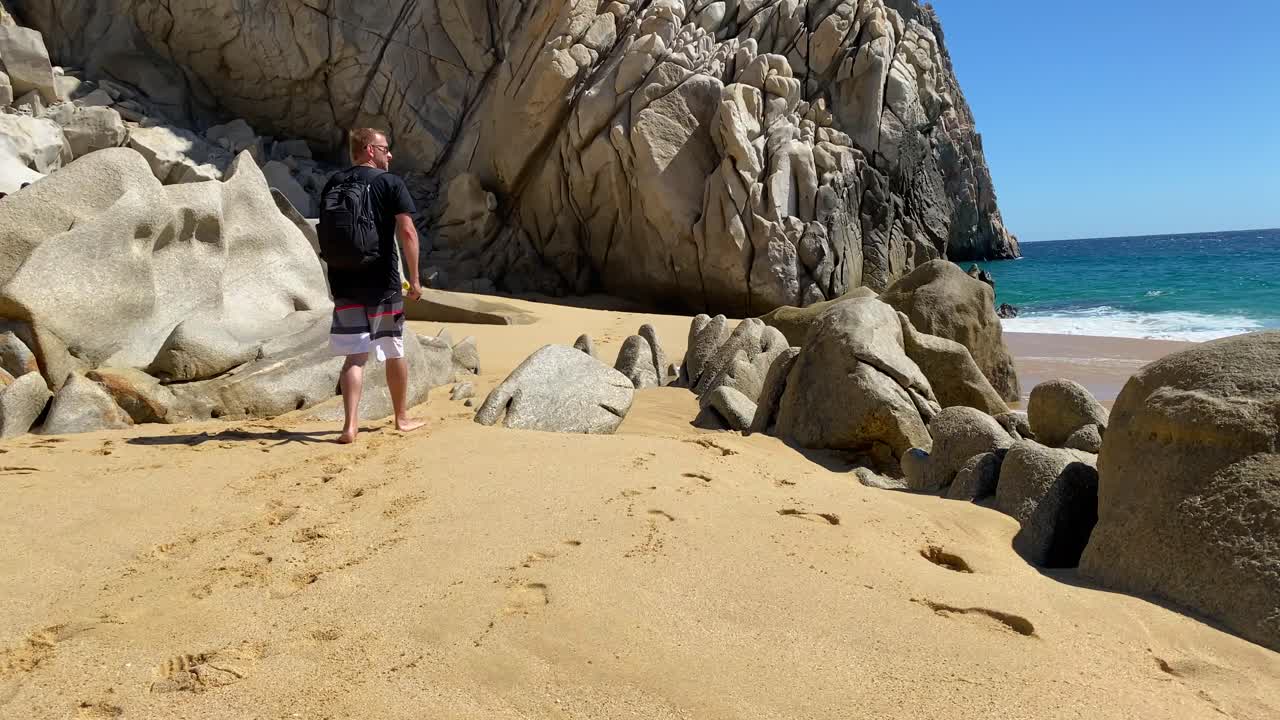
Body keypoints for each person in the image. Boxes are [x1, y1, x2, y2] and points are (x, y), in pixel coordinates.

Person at [321, 127, 427, 444]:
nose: (389, 154)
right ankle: (401, 418)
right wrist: (416, 277)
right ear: (369, 149)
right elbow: (407, 232)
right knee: (394, 350)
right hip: (382, 283)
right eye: (385, 148)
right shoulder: (389, 183)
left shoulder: (333, 183)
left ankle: (349, 426)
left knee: (355, 356)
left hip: (343, 281)